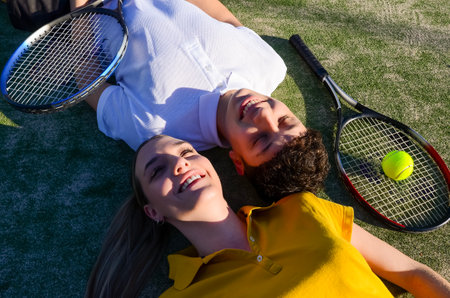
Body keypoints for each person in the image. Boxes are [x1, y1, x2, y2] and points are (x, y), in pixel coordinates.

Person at [85, 135, 450, 297]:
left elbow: (412, 274)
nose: (180, 163)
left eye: (187, 152)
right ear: (153, 212)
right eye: (157, 171)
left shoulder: (303, 209)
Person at [69, 0, 330, 201]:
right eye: (284, 120)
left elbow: (84, 72)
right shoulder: (271, 66)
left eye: (259, 139)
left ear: (237, 161)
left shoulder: (153, 129)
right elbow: (223, 17)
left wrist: (80, 5)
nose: (263, 115)